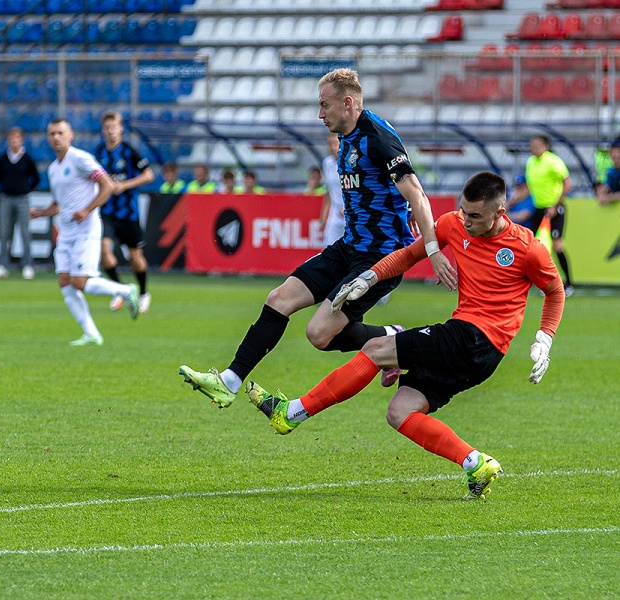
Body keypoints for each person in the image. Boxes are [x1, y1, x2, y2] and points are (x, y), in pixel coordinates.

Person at [247, 172, 564, 501]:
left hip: (475, 339)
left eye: (475, 216)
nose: (466, 220)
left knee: (376, 348)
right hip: (476, 354)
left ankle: (291, 413)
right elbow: (410, 254)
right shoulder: (453, 224)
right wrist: (369, 278)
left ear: (500, 213)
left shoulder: (527, 247)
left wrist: (544, 339)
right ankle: (476, 464)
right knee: (400, 412)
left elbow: (555, 292)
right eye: (463, 210)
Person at [180, 67, 456, 408]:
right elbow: (386, 188)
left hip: (379, 258)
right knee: (279, 298)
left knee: (319, 334)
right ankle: (229, 381)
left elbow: (416, 192)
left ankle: (394, 338)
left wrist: (433, 250)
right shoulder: (346, 139)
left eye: (325, 105)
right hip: (349, 246)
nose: (320, 114)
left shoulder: (377, 136)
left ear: (348, 103)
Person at [30, 118, 140, 346]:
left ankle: (125, 290)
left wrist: (87, 210)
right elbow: (58, 205)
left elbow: (107, 185)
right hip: (66, 232)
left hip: (86, 230)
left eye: (60, 133)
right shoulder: (53, 169)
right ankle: (92, 334)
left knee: (80, 282)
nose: (56, 137)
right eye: (52, 134)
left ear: (70, 135)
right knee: (65, 282)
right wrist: (40, 213)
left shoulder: (80, 159)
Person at [93, 111, 155, 314]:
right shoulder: (99, 153)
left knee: (135, 257)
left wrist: (124, 185)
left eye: (114, 127)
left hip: (129, 213)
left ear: (120, 129)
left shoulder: (129, 151)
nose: (111, 131)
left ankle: (143, 293)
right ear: (103, 130)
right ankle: (120, 290)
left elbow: (149, 175)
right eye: (107, 128)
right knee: (103, 249)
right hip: (107, 211)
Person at [0, 127, 41, 280]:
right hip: (6, 198)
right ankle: (3, 265)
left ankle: (27, 264)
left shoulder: (27, 159)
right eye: (11, 138)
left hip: (22, 199)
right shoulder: (3, 159)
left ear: (21, 140)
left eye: (17, 138)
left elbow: (36, 178)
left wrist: (25, 188)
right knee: (4, 232)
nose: (14, 141)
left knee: (25, 232)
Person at [526, 135, 574, 296]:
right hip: (539, 209)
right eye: (532, 144)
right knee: (534, 247)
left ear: (546, 146)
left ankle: (568, 284)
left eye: (537, 144)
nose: (533, 147)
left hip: (554, 209)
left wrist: (555, 205)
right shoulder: (531, 162)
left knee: (557, 245)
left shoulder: (553, 161)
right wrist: (511, 201)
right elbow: (529, 187)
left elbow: (567, 184)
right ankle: (544, 283)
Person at [319, 132, 346, 246]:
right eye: (330, 144)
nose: (333, 147)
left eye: (336, 143)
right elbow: (329, 192)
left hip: (351, 213)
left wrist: (348, 208)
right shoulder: (327, 163)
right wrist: (324, 215)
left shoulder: (351, 163)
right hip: (335, 213)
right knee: (328, 247)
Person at [595, 137, 620, 205]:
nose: (615, 156)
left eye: (618, 152)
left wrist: (609, 198)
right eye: (612, 153)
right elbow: (606, 186)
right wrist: (600, 193)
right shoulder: (612, 172)